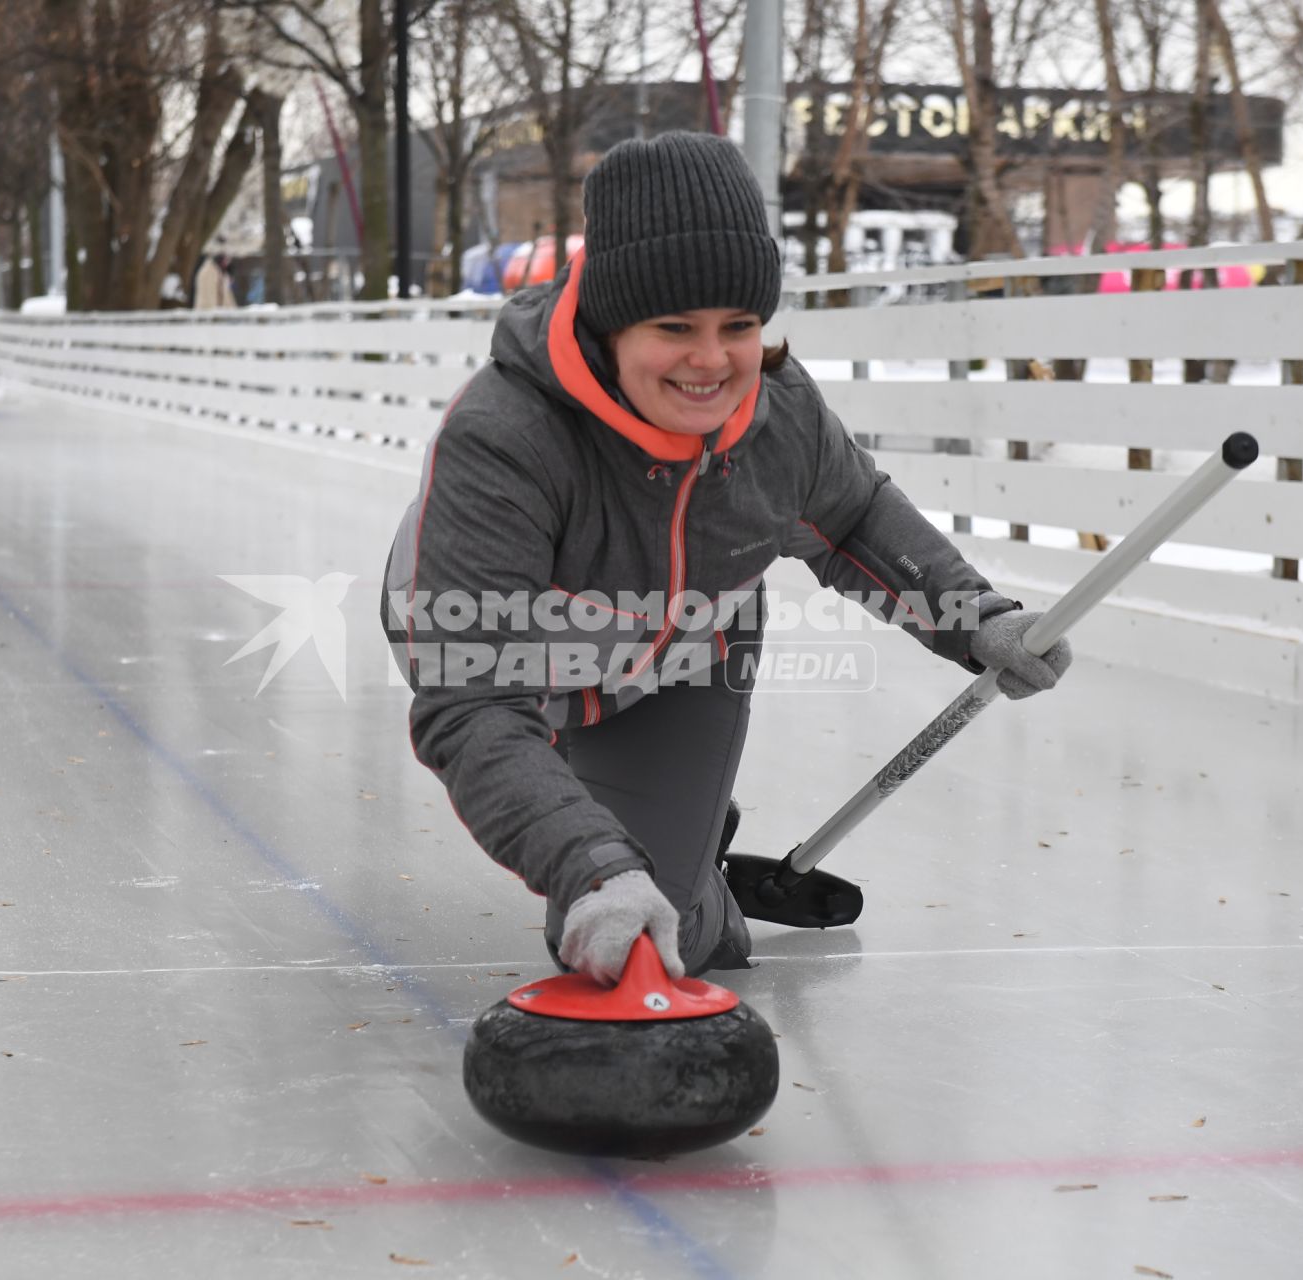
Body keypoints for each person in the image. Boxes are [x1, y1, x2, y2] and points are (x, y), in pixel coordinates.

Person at [380, 132, 1071, 986]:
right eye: (675, 328)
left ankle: (699, 869)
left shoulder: (776, 416)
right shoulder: (508, 436)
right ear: (610, 319)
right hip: (508, 656)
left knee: (664, 943)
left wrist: (979, 621)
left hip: (678, 658)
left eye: (738, 327)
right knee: (600, 880)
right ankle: (647, 836)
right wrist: (593, 864)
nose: (712, 362)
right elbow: (475, 699)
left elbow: (852, 516)